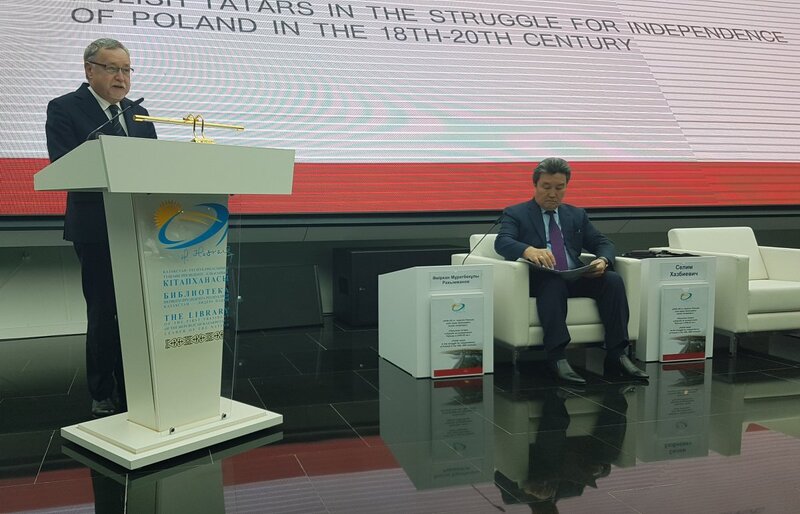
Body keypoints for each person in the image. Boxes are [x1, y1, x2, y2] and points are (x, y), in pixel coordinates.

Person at [45, 38, 157, 417]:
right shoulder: (64, 108)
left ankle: (136, 385)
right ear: (89, 69)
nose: (121, 77)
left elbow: (155, 166)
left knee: (138, 312)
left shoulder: (138, 113)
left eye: (126, 69)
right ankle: (102, 392)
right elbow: (64, 163)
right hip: (96, 227)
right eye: (112, 68)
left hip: (139, 226)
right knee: (105, 310)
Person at [494, 157, 648, 384]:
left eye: (559, 188)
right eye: (546, 187)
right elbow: (502, 242)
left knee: (612, 280)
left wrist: (603, 260)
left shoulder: (575, 215)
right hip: (542, 279)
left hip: (574, 275)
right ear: (535, 185)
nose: (552, 194)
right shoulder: (516, 213)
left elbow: (602, 242)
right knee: (553, 284)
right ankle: (557, 357)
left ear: (566, 186)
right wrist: (528, 250)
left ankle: (617, 354)